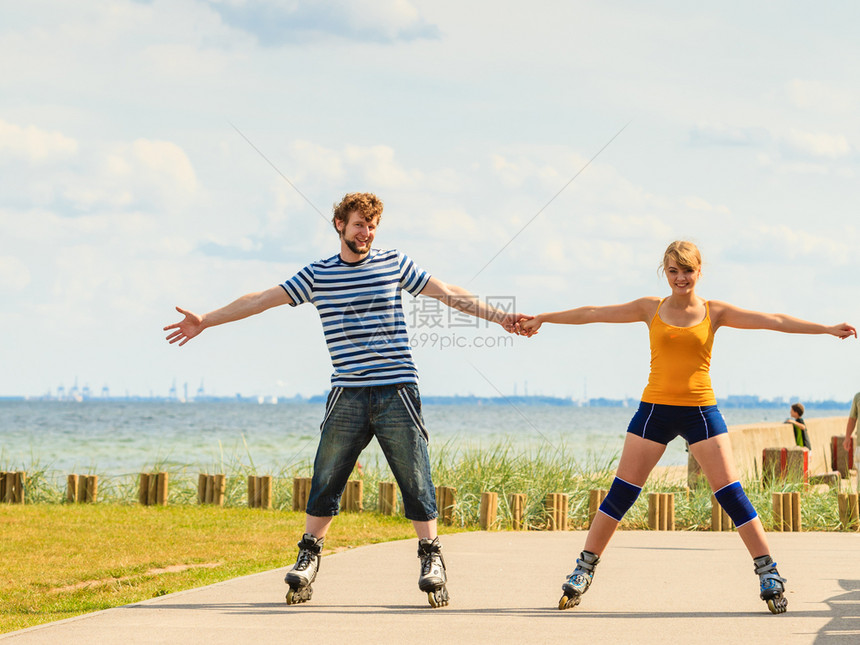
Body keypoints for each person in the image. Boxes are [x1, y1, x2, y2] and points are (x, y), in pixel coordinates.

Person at [164, 192, 529, 608]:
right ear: (339, 225)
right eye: (359, 224)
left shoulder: (394, 263)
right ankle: (308, 557)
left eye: (372, 226)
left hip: (396, 389)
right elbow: (261, 300)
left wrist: (501, 317)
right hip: (347, 391)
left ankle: (432, 559)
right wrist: (207, 320)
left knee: (414, 474)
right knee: (327, 474)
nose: (367, 232)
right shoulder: (318, 275)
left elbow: (447, 293)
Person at [520, 240, 856, 614]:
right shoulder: (650, 308)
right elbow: (596, 311)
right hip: (654, 412)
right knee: (621, 493)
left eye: (688, 270)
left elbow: (774, 321)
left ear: (699, 272)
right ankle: (583, 568)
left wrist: (826, 329)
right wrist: (545, 317)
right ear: (665, 272)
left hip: (700, 411)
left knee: (731, 494)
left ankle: (769, 573)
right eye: (673, 271)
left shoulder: (716, 312)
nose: (681, 278)